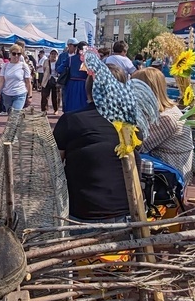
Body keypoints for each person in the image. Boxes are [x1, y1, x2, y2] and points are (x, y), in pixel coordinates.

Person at [53, 67, 138, 223]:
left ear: (89, 90)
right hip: (128, 212)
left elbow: (54, 165)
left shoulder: (71, 120)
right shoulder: (130, 123)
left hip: (83, 214)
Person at [131, 67, 194, 185]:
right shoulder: (164, 110)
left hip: (169, 173)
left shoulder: (167, 118)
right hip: (163, 163)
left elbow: (138, 144)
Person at [0, 44, 32, 112]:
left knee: (15, 114)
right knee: (11, 115)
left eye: (19, 54)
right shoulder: (5, 66)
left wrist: (30, 95)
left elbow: (28, 82)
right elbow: (1, 80)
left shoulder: (24, 66)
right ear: (10, 54)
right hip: (7, 94)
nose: (16, 56)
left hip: (20, 94)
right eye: (14, 54)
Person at [57, 40, 88, 113]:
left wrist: (68, 70)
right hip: (85, 85)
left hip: (71, 84)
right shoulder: (89, 60)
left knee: (71, 103)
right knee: (83, 104)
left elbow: (59, 69)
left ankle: (70, 119)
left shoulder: (71, 59)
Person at [41, 49, 59, 114]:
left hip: (55, 80)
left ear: (57, 55)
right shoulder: (46, 61)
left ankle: (56, 109)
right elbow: (44, 69)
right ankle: (44, 109)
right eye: (52, 54)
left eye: (55, 54)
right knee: (44, 96)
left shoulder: (58, 62)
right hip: (47, 80)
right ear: (50, 54)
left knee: (55, 96)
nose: (53, 55)